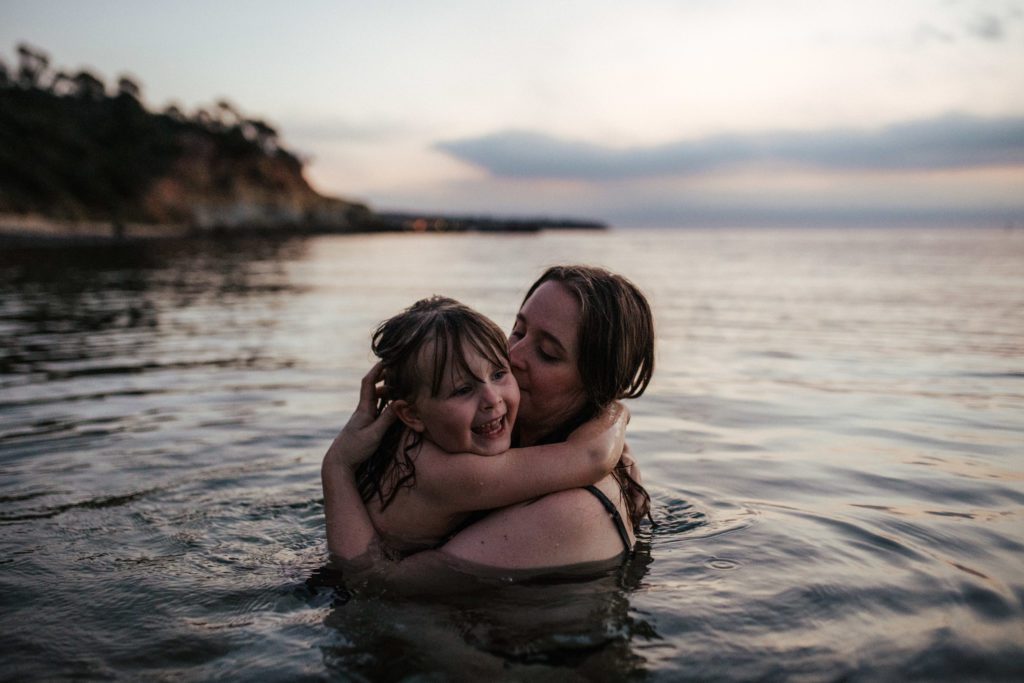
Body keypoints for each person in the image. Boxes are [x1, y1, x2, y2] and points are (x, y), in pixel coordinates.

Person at [323, 265, 654, 572]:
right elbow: (591, 454)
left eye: (548, 353)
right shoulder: (436, 459)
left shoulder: (573, 505)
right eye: (518, 331)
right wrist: (616, 413)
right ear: (412, 413)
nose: (512, 356)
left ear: (597, 385)